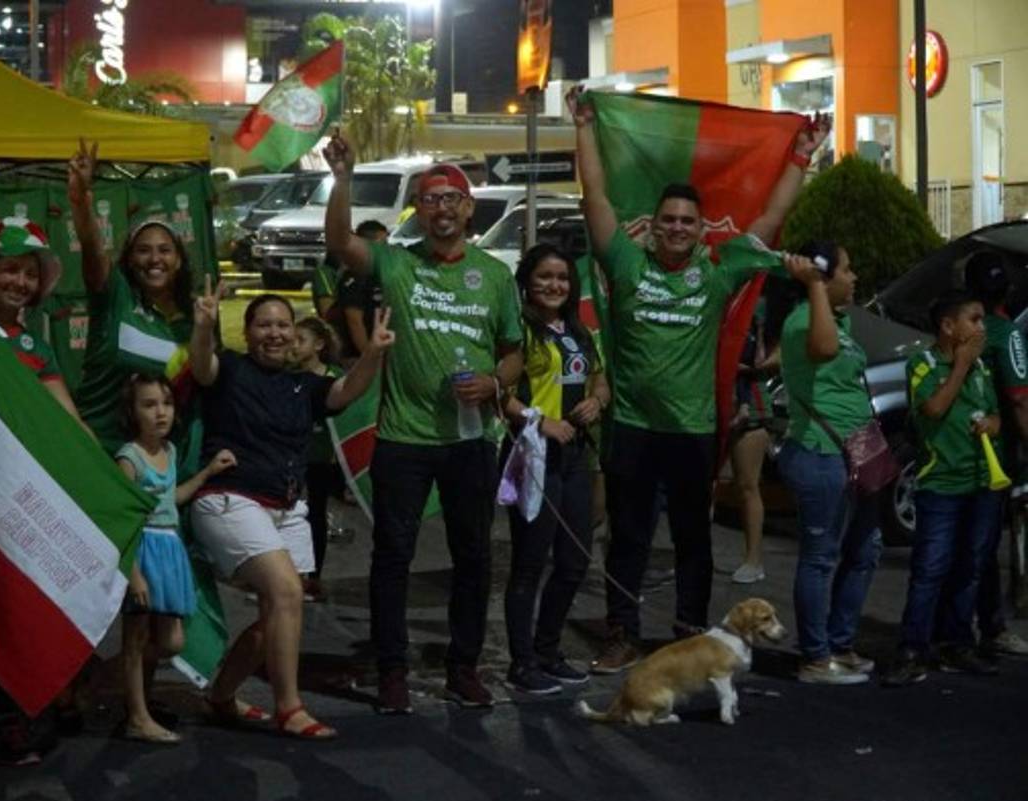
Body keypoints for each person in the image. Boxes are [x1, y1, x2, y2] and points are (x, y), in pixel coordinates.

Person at [568, 85, 832, 672]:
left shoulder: (719, 269)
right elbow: (596, 198)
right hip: (633, 428)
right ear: (654, 227)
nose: (679, 228)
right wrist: (584, 125)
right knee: (629, 539)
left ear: (700, 226)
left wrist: (800, 156)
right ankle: (622, 634)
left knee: (693, 539)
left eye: (688, 220)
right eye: (669, 220)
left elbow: (772, 216)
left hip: (692, 431)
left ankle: (689, 631)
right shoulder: (626, 261)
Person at [324, 132, 524, 713]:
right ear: (419, 210)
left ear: (468, 209)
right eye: (429, 199)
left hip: (470, 442)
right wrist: (343, 177)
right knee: (392, 556)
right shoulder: (395, 263)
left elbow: (513, 350)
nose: (441, 208)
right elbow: (339, 241)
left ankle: (464, 666)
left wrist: (495, 383)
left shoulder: (494, 275)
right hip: (402, 440)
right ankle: (393, 669)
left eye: (450, 199)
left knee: (474, 558)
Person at [189, 289, 392, 739]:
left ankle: (220, 696)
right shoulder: (231, 369)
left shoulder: (304, 385)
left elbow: (345, 391)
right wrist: (203, 326)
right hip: (231, 499)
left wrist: (373, 353)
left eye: (284, 325)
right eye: (265, 325)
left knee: (278, 613)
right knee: (285, 592)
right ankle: (290, 707)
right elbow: (201, 366)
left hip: (287, 507)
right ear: (248, 332)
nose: (275, 333)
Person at [0, 217, 86, 765]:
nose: (20, 282)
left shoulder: (34, 343)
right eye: (10, 270)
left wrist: (107, 472)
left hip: (19, 497)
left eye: (30, 273)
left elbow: (66, 417)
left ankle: (7, 712)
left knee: (9, 602)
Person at [501, 244, 610, 695]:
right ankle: (522, 662)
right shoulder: (518, 331)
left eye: (562, 277)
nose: (554, 285)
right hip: (534, 459)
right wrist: (538, 420)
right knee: (529, 564)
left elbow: (601, 379)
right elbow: (497, 390)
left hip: (576, 459)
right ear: (527, 281)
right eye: (544, 276)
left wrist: (597, 401)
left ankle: (548, 650)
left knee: (574, 562)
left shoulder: (579, 331)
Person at [884, 289, 1004, 686]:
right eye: (974, 319)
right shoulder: (924, 364)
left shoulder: (982, 368)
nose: (981, 328)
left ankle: (956, 642)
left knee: (971, 564)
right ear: (948, 326)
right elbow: (932, 410)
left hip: (982, 481)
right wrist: (960, 366)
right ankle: (912, 647)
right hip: (941, 483)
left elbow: (995, 412)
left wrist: (993, 423)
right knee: (930, 567)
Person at [776, 242, 882, 684]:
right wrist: (815, 285)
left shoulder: (839, 318)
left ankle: (841, 643)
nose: (854, 277)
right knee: (821, 557)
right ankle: (815, 658)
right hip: (822, 450)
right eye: (847, 269)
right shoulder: (807, 318)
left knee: (867, 547)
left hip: (862, 444)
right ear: (822, 276)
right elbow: (821, 349)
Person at [67, 139, 202, 472]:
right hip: (94, 453)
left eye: (164, 250)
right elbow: (91, 246)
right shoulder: (116, 297)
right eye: (143, 250)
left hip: (157, 467)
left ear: (180, 261)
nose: (154, 258)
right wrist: (81, 199)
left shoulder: (194, 325)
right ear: (128, 260)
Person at [116, 374, 236, 743]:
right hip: (145, 549)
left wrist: (207, 473)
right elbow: (125, 519)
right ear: (133, 412)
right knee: (136, 638)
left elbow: (171, 498)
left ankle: (104, 680)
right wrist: (133, 573)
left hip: (170, 549)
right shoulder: (129, 458)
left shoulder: (168, 452)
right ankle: (137, 715)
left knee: (170, 642)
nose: (160, 412)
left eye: (166, 404)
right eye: (149, 405)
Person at [962, 252, 1028, 657]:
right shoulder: (1005, 333)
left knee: (960, 545)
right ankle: (989, 626)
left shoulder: (956, 329)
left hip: (956, 449)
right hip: (995, 455)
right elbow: (1019, 400)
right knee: (983, 547)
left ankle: (955, 626)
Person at [289, 316, 344, 602]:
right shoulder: (290, 376)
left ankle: (314, 577)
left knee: (316, 515)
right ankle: (290, 575)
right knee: (290, 513)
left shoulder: (333, 378)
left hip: (323, 458)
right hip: (296, 457)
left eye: (302, 340)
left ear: (319, 344)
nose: (294, 345)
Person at [729, 299, 778, 584]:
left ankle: (753, 559)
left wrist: (749, 366)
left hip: (752, 401)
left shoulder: (761, 300)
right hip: (711, 396)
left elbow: (771, 356)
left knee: (747, 483)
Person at [336, 220, 389, 360]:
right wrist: (368, 356)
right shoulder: (354, 277)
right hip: (357, 357)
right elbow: (355, 321)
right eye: (383, 243)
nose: (387, 248)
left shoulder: (378, 274)